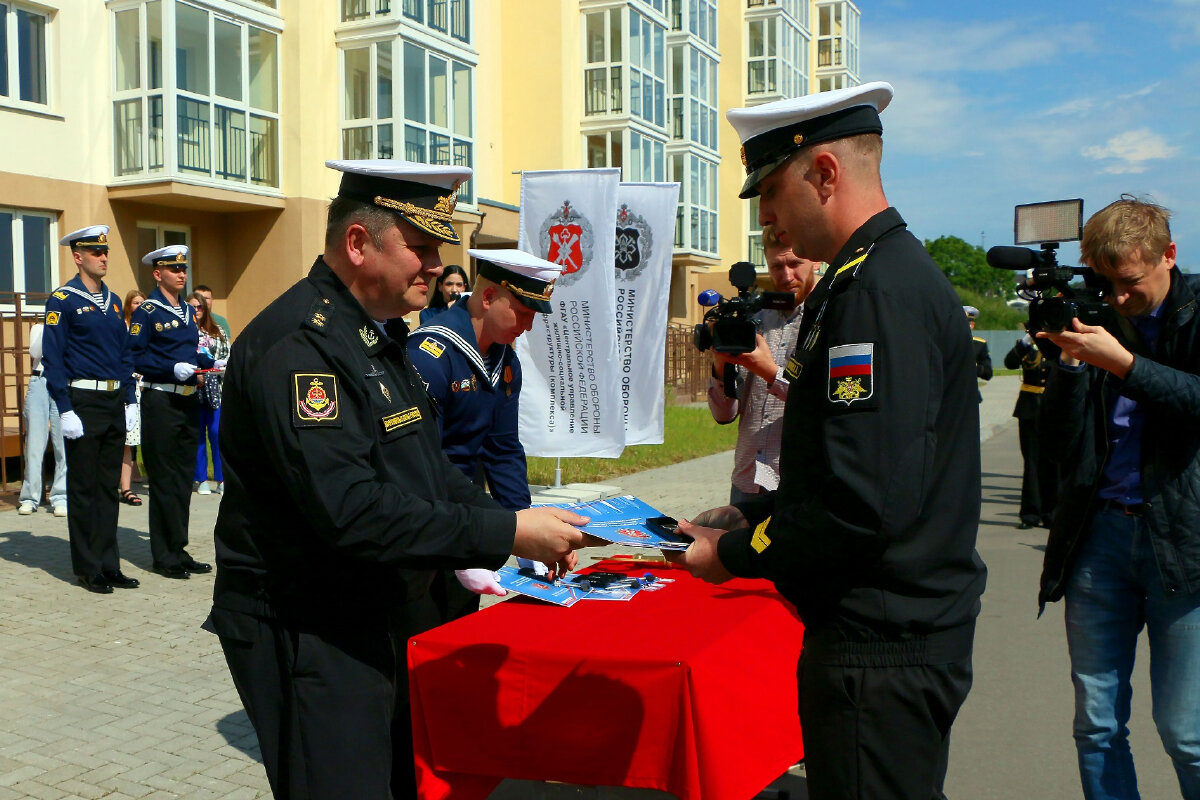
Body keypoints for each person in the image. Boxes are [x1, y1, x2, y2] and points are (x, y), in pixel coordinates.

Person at [202, 159, 592, 800]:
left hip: (376, 605)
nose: (437, 264)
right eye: (421, 246)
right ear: (358, 244)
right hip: (312, 628)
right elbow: (351, 510)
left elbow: (428, 468)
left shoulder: (375, 336)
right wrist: (505, 533)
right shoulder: (301, 347)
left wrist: (526, 525)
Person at [666, 83, 987, 800]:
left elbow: (862, 504)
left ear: (825, 174)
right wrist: (749, 518)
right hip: (888, 633)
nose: (766, 216)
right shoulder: (869, 278)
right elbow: (858, 466)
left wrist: (735, 554)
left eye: (771, 190)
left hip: (879, 644)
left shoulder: (873, 291)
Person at [1037, 196, 1200, 800]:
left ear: (1169, 255)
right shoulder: (1097, 314)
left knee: (1187, 732)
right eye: (1105, 284)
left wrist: (1126, 364)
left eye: (1129, 282)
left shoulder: (1196, 309)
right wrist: (1072, 367)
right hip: (1098, 537)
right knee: (1097, 725)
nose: (1118, 298)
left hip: (1183, 544)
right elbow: (1054, 448)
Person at [408, 249, 564, 621]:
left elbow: (503, 449)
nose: (527, 326)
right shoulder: (430, 354)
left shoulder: (504, 361)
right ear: (489, 297)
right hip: (424, 518)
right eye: (523, 312)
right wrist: (494, 530)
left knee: (459, 629)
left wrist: (525, 527)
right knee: (420, 637)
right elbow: (421, 459)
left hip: (468, 513)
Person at [41, 225, 140, 594]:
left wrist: (129, 399)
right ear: (77, 256)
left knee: (106, 487)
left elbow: (124, 353)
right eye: (96, 252)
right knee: (84, 489)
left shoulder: (115, 301)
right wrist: (64, 408)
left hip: (113, 400)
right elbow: (53, 358)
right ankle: (88, 568)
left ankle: (109, 564)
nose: (104, 257)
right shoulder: (62, 300)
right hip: (82, 402)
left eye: (106, 251)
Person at [707, 224, 820, 503]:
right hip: (747, 480)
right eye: (776, 266)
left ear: (816, 259)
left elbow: (821, 403)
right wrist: (720, 367)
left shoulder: (828, 318)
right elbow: (724, 415)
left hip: (798, 483)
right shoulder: (753, 320)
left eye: (795, 263)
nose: (786, 276)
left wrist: (769, 371)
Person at [129, 245, 220, 579]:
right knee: (165, 480)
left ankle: (178, 549)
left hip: (186, 400)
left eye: (183, 269)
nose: (181, 274)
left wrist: (205, 362)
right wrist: (170, 368)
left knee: (182, 480)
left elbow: (189, 351)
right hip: (161, 400)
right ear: (158, 274)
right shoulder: (148, 311)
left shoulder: (186, 310)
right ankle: (163, 556)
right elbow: (134, 357)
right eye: (173, 269)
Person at [1003, 326, 1056, 529]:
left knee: (1053, 463)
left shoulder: (1057, 348)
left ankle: (1051, 512)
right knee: (1032, 463)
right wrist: (1025, 342)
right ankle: (1030, 514)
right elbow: (1009, 363)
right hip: (1029, 409)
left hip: (1053, 408)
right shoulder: (1025, 348)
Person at [18, 322, 68, 517]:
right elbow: (36, 352)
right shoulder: (39, 328)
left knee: (62, 444)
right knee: (34, 445)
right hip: (39, 380)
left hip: (63, 381)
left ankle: (61, 496)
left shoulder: (71, 326)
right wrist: (51, 327)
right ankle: (30, 498)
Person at [188, 291, 230, 495]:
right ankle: (201, 479)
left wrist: (213, 371)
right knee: (197, 434)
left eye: (199, 307)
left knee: (216, 432)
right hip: (192, 389)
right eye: (192, 306)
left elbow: (226, 356)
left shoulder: (217, 330)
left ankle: (221, 479)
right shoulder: (184, 330)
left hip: (216, 390)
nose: (196, 310)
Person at [119, 289, 146, 507]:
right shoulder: (122, 326)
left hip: (137, 385)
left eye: (142, 303)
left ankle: (126, 488)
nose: (140, 306)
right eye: (136, 303)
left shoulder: (145, 326)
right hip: (119, 384)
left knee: (129, 440)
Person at [965, 305, 993, 402]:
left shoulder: (979, 344)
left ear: (972, 325)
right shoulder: (945, 342)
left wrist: (974, 367)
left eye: (969, 323)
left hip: (970, 395)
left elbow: (988, 373)